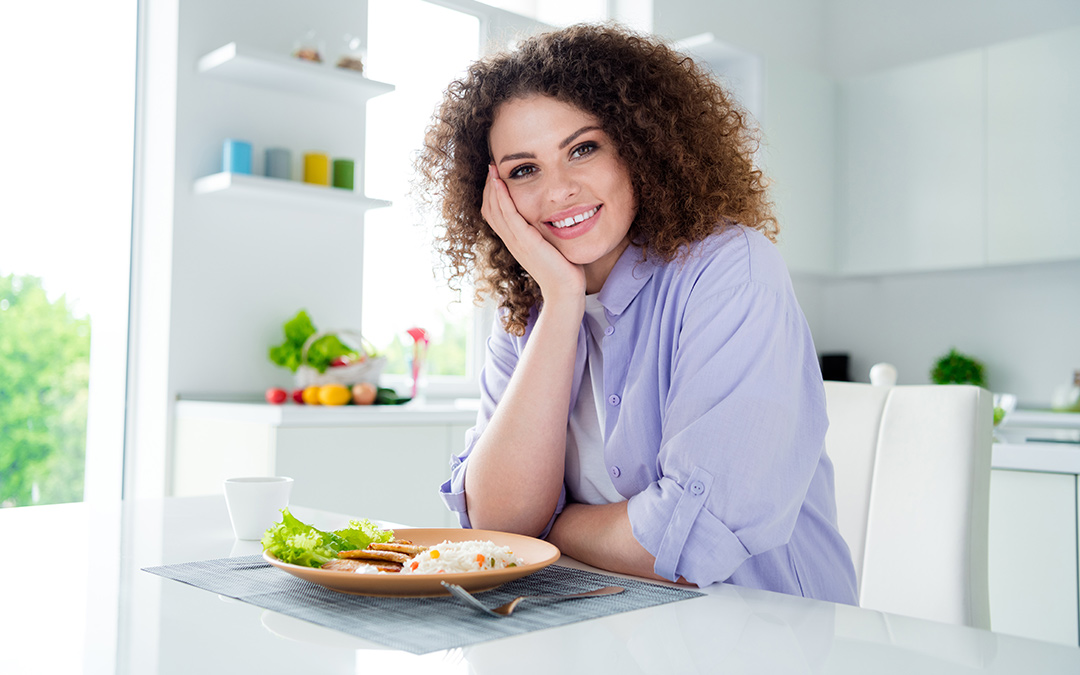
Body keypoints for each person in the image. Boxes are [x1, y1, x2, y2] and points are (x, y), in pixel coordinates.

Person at [417, 23, 858, 604]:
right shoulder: (528, 310)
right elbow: (497, 524)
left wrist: (549, 526)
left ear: (640, 147)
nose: (559, 191)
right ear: (495, 195)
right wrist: (561, 300)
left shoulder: (729, 268)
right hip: (611, 625)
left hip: (771, 630)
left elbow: (691, 545)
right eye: (524, 170)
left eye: (583, 149)